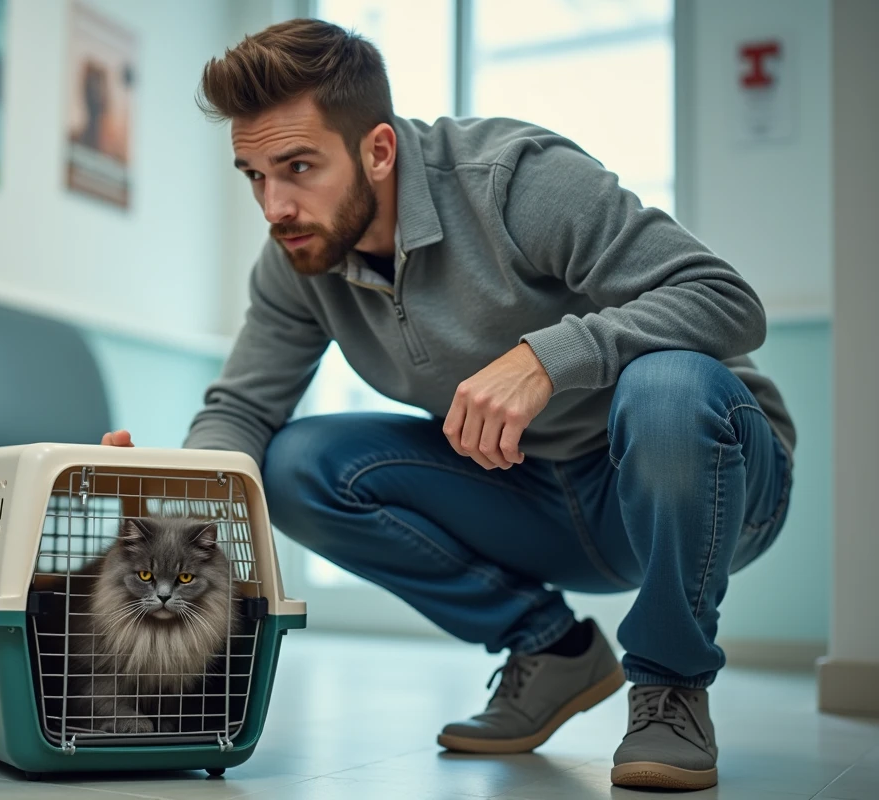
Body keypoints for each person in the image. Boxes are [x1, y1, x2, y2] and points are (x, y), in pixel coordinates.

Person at [101, 19, 795, 792]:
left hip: (703, 481)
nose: (275, 205)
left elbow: (725, 298)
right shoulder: (296, 262)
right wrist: (171, 494)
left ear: (379, 150)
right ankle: (550, 649)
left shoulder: (515, 180)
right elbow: (242, 408)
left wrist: (548, 356)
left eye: (298, 167)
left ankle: (670, 687)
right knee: (294, 465)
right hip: (535, 497)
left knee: (668, 384)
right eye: (254, 175)